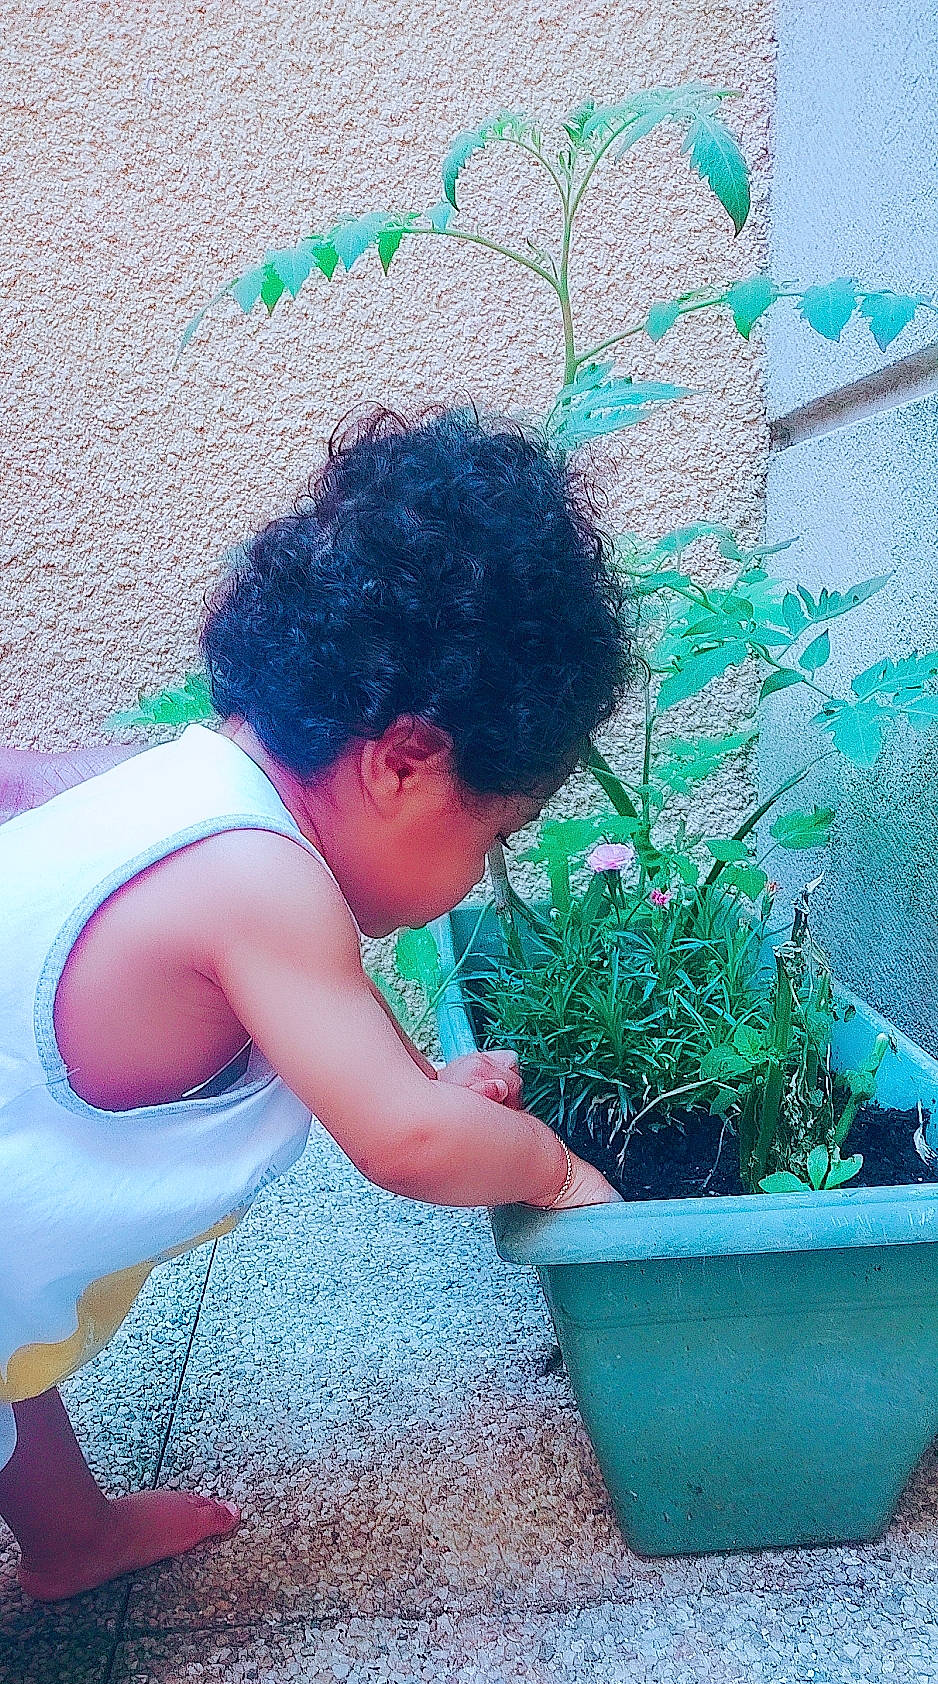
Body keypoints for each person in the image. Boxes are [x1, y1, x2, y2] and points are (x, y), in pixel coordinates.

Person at [0, 403, 627, 1603]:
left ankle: (70, 1538)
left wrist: (422, 1075)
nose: (480, 874)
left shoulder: (191, 788)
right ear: (403, 764)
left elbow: (325, 1004)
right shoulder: (258, 880)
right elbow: (403, 1144)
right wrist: (545, 1168)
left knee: (10, 1339)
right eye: (494, 835)